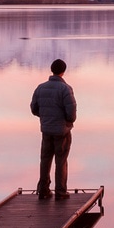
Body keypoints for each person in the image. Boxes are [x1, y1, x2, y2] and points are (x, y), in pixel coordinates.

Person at [30, 58, 77, 200]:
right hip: (62, 131)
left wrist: (45, 118)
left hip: (46, 130)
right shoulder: (65, 89)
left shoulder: (40, 87)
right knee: (61, 161)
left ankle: (44, 190)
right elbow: (71, 112)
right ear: (63, 71)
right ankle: (60, 192)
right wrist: (68, 122)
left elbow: (34, 109)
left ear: (52, 70)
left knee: (45, 159)